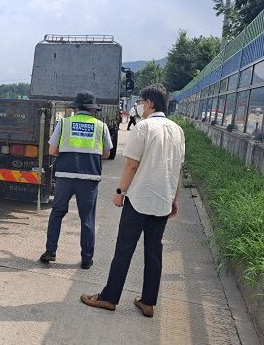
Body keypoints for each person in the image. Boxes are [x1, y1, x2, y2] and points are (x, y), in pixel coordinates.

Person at [80, 83, 185, 317]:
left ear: (149, 103)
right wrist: (174, 198)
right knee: (154, 250)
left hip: (139, 199)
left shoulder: (144, 127)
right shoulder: (178, 130)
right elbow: (177, 168)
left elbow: (131, 164)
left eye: (140, 102)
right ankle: (148, 302)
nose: (139, 106)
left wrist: (120, 191)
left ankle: (109, 297)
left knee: (124, 248)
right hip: (163, 200)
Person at [39, 91, 113, 269]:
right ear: (92, 109)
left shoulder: (64, 123)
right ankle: (86, 259)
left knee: (57, 213)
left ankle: (50, 251)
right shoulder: (101, 126)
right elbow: (107, 154)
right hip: (89, 178)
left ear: (76, 107)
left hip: (65, 176)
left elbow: (52, 150)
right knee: (87, 218)